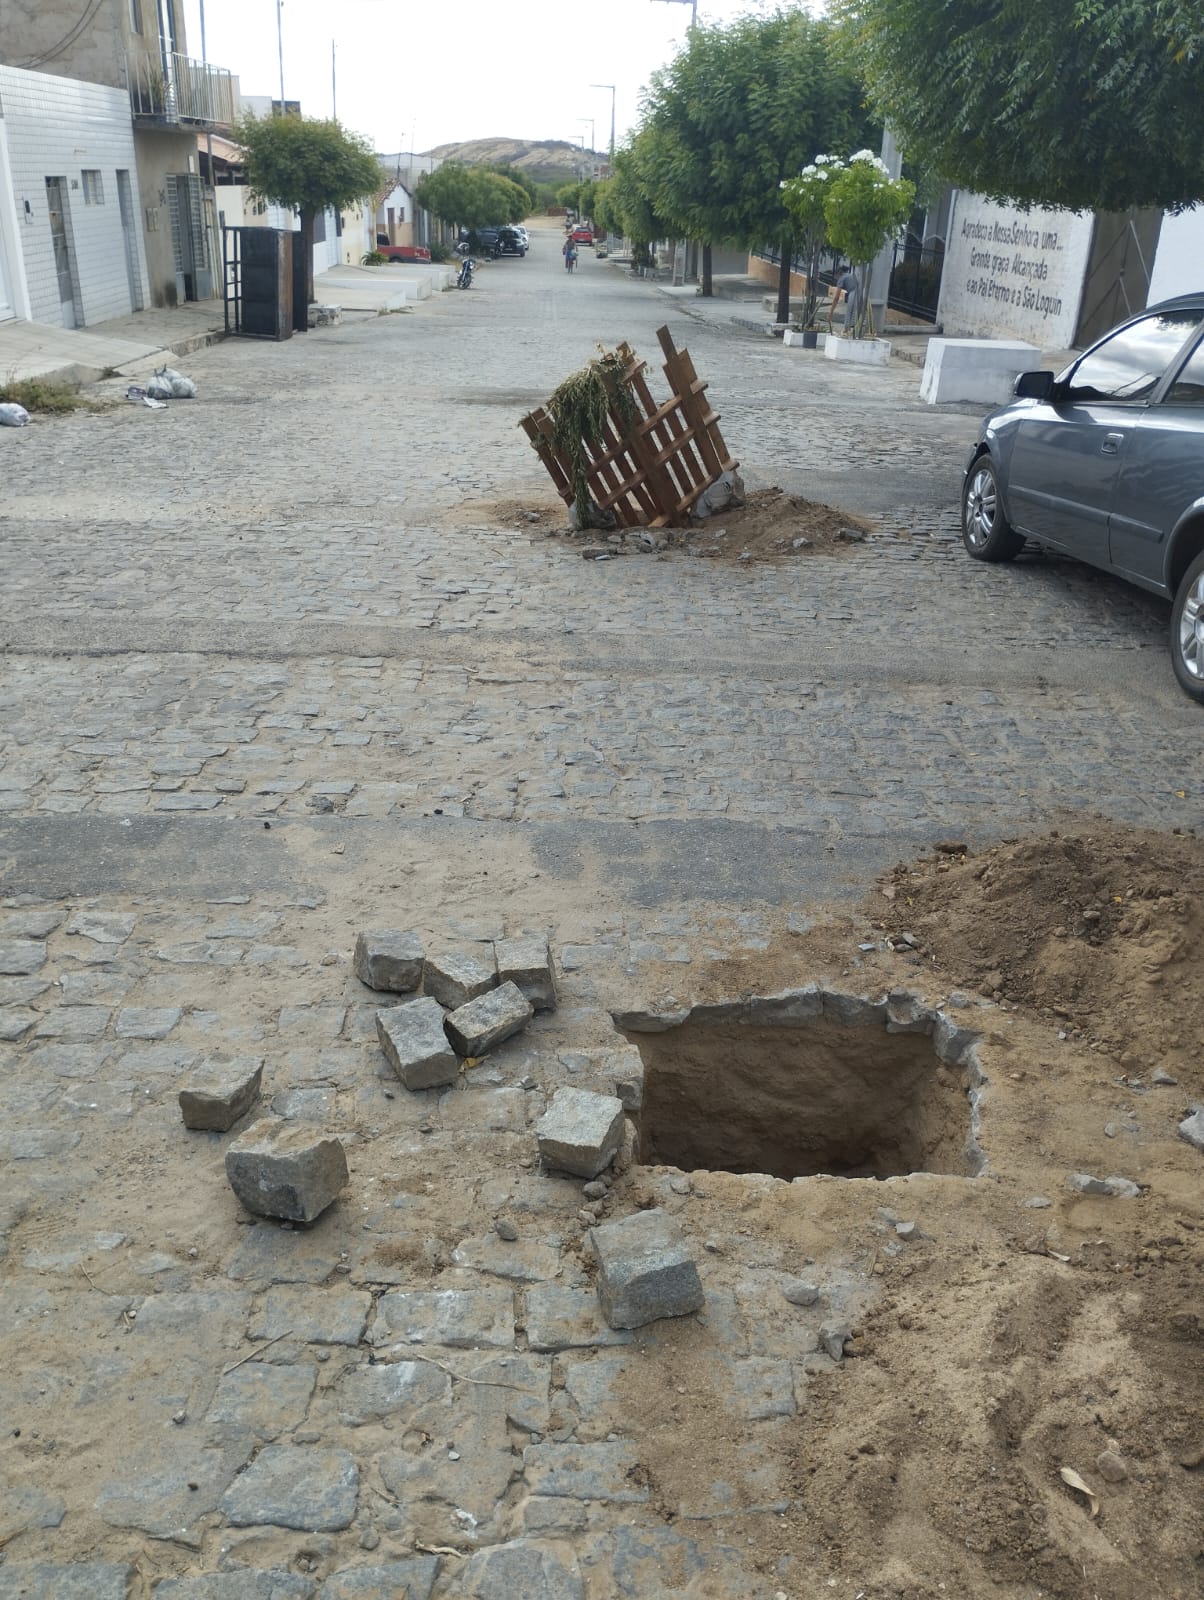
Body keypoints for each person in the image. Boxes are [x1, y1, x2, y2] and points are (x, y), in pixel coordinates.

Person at [830, 265, 864, 332]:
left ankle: (846, 329)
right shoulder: (849, 275)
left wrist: (831, 312)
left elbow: (836, 298)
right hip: (860, 291)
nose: (836, 279)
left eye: (835, 277)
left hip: (854, 291)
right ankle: (850, 329)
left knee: (849, 311)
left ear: (838, 274)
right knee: (854, 312)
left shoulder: (842, 278)